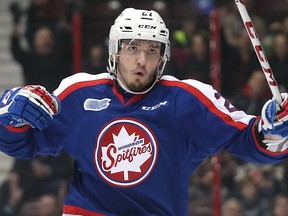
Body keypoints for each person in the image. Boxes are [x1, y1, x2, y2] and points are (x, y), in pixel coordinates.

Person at [0, 8, 288, 216]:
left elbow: (250, 140)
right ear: (114, 51)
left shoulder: (187, 100)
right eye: (132, 47)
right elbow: (20, 144)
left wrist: (273, 129)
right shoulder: (79, 94)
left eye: (152, 50)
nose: (141, 60)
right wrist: (10, 113)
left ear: (163, 57)